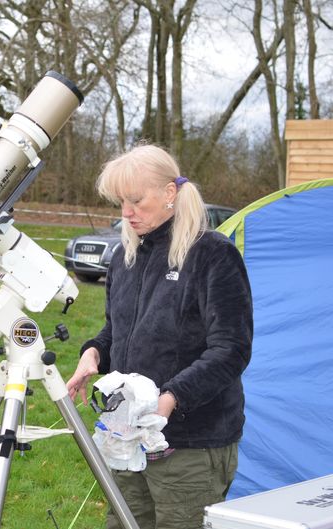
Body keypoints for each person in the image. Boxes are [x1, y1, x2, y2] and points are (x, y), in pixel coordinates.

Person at [66, 144, 253, 529]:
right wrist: (94, 356)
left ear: (170, 193)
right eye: (120, 202)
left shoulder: (212, 255)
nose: (126, 213)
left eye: (136, 200)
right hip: (129, 436)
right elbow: (118, 332)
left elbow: (231, 349)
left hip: (191, 443)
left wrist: (172, 397)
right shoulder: (124, 256)